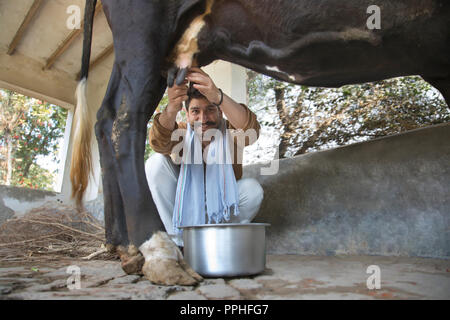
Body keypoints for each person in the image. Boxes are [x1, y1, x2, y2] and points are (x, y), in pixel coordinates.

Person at [145, 67, 264, 246]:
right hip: (186, 205)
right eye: (195, 111)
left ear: (220, 111)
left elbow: (250, 130)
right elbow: (158, 143)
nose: (203, 118)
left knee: (252, 189)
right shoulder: (182, 132)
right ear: (187, 114)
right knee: (155, 163)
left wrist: (219, 96)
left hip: (223, 205)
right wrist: (172, 107)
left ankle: (221, 240)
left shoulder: (231, 131)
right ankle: (180, 243)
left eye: (210, 109)